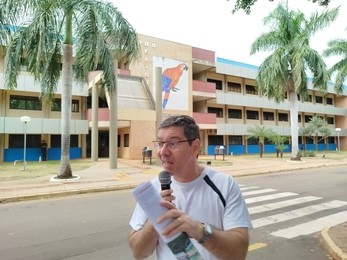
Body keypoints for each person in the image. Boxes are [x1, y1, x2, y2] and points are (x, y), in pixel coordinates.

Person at [128, 115, 252, 260]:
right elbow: (138, 252)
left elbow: (239, 252)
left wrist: (198, 231)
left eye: (173, 143)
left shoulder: (224, 185)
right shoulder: (153, 190)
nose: (163, 151)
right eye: (160, 143)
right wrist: (155, 219)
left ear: (195, 147)